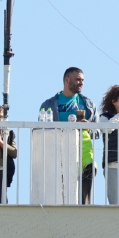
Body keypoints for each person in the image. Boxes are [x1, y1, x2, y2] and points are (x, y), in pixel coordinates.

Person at [39, 67, 97, 204]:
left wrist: (88, 126)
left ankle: (84, 213)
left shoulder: (88, 104)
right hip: (59, 151)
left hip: (84, 151)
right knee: (60, 189)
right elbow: (42, 130)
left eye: (82, 80)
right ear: (67, 80)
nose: (81, 83)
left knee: (85, 185)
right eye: (78, 80)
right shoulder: (49, 104)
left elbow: (98, 131)